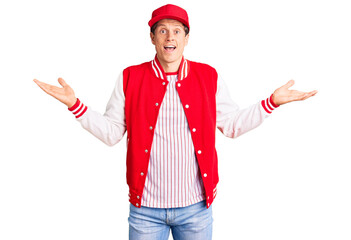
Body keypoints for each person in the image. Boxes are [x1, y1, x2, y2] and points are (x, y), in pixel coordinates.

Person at [33, 4, 317, 240]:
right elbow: (111, 133)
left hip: (196, 210)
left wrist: (272, 101)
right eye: (163, 30)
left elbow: (232, 125)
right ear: (153, 37)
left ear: (186, 37)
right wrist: (74, 104)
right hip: (145, 210)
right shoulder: (130, 77)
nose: (170, 37)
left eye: (177, 31)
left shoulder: (208, 77)